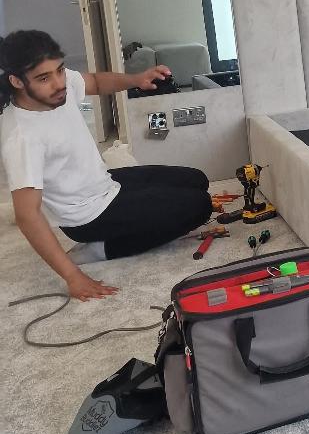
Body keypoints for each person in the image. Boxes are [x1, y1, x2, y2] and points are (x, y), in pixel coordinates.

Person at [0, 29, 213, 301]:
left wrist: (138, 79)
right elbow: (27, 215)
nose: (59, 83)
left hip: (104, 182)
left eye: (60, 70)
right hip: (87, 216)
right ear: (17, 81)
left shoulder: (58, 87)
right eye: (44, 78)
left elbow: (97, 82)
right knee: (198, 205)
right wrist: (72, 277)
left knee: (197, 180)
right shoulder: (22, 137)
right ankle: (101, 249)